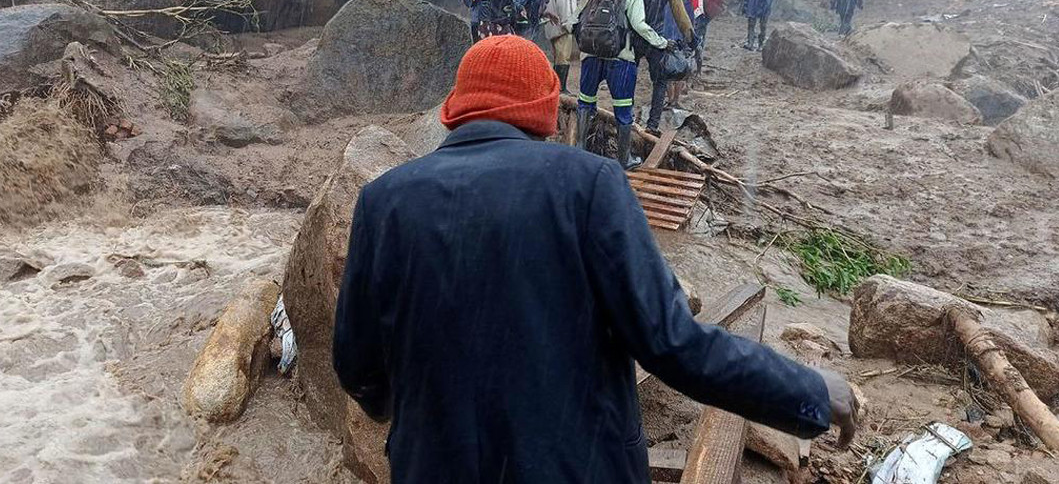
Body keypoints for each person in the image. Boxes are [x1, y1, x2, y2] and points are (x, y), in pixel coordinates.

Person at [333, 35, 859, 484]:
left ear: (455, 110)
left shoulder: (385, 201)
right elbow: (672, 342)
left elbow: (357, 364)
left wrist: (415, 415)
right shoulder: (588, 184)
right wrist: (810, 392)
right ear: (544, 111)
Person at [574, 0, 670, 169]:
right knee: (623, 109)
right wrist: (660, 42)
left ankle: (580, 148)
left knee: (585, 103)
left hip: (591, 58)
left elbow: (574, 19)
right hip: (621, 59)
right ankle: (623, 158)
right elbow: (639, 25)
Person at [632, 0, 693, 134]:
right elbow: (681, 17)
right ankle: (652, 125)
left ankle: (628, 116)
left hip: (635, 36)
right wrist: (691, 38)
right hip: (657, 40)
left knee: (630, 75)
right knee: (659, 82)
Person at [541, 0, 578, 93]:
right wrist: (567, 23)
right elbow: (562, 2)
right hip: (561, 22)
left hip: (551, 21)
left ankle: (556, 86)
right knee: (563, 56)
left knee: (558, 56)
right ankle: (561, 87)